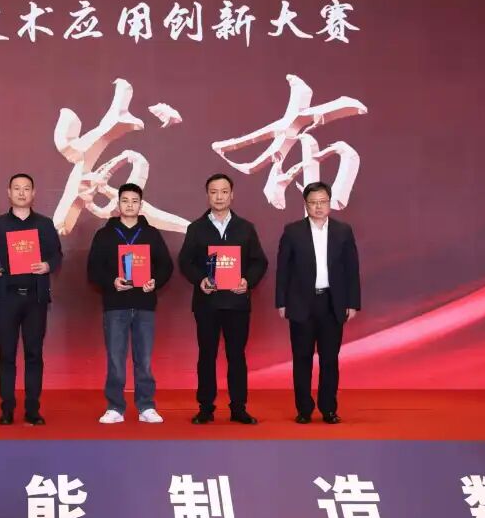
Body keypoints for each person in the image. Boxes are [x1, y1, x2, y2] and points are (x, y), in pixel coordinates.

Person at [178, 173, 268, 425]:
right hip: (207, 303)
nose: (219, 196)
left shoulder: (245, 227)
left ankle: (239, 408)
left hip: (237, 304)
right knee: (206, 356)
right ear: (208, 195)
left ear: (232, 195)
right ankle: (205, 407)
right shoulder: (196, 228)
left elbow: (259, 262)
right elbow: (185, 262)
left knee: (236, 356)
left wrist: (247, 281)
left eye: (224, 191)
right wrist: (200, 280)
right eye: (214, 192)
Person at [0, 173, 62, 425]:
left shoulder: (45, 224)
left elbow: (57, 255)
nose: (22, 193)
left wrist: (47, 265)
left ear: (33, 193)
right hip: (6, 298)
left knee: (34, 353)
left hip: (35, 298)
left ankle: (33, 409)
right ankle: (7, 408)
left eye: (26, 188)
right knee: (6, 354)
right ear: (9, 192)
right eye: (17, 188)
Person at [86, 183, 174, 424]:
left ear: (141, 205)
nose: (130, 205)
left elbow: (166, 266)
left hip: (144, 304)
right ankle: (115, 407)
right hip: (115, 305)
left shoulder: (151, 234)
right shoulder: (104, 235)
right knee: (116, 359)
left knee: (143, 360)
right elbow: (93, 269)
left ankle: (146, 406)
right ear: (118, 204)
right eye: (125, 200)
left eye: (134, 201)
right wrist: (112, 281)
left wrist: (155, 281)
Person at [276, 181, 361, 424]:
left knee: (329, 360)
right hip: (301, 303)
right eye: (313, 203)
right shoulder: (292, 231)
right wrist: (281, 302)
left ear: (329, 203)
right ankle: (304, 410)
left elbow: (352, 269)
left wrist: (352, 302)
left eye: (323, 202)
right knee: (301, 358)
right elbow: (283, 270)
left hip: (332, 303)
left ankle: (328, 409)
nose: (318, 207)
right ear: (306, 205)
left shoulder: (343, 231)